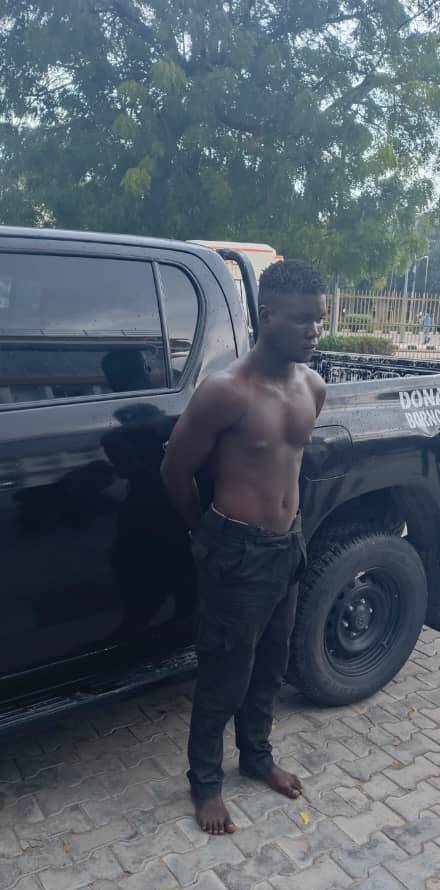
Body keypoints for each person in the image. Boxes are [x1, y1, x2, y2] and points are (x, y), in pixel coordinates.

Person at [160, 260, 326, 835]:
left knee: (271, 667)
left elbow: (288, 465)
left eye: (320, 319)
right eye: (302, 320)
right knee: (225, 675)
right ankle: (205, 783)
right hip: (237, 553)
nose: (314, 331)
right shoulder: (227, 391)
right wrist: (204, 533)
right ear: (267, 315)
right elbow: (174, 469)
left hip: (288, 547)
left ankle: (256, 757)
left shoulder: (313, 387)